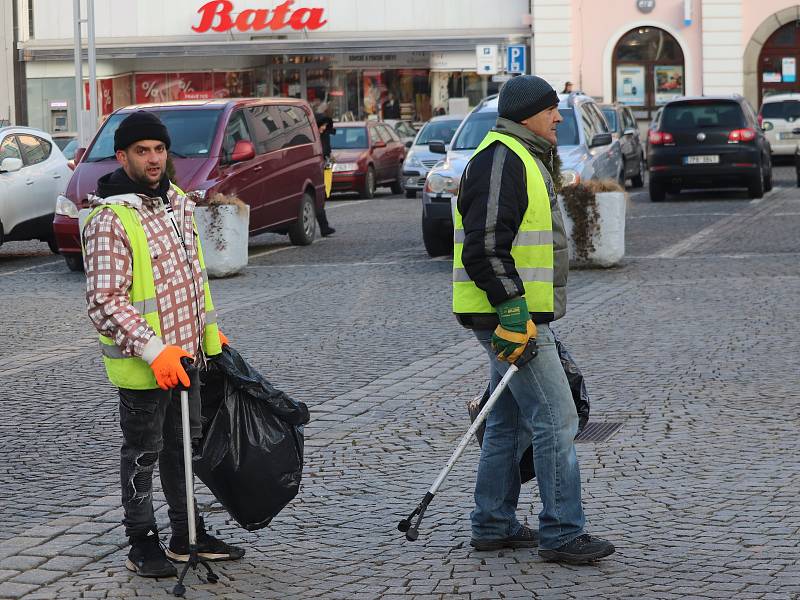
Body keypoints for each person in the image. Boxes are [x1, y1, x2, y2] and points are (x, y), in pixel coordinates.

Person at [453, 75, 615, 564]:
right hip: (509, 316)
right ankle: (563, 531)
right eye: (552, 110)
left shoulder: (516, 156)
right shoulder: (503, 159)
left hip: (510, 313)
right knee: (556, 419)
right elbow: (484, 245)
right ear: (527, 114)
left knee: (507, 421)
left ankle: (493, 523)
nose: (559, 117)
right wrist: (512, 308)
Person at [83, 111, 245, 579]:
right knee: (142, 454)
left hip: (187, 357)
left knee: (183, 450)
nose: (153, 159)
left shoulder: (176, 203)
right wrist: (156, 351)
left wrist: (209, 338)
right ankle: (141, 541)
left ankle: (186, 533)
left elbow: (195, 281)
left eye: (159, 150)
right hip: (144, 366)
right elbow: (105, 302)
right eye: (141, 151)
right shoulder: (110, 218)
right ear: (122, 156)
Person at [315, 113, 336, 237]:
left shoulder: (324, 136)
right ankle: (324, 227)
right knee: (319, 199)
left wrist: (331, 158)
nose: (323, 128)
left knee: (322, 197)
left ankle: (324, 227)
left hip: (325, 169)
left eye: (325, 126)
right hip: (316, 170)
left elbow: (327, 151)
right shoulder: (314, 136)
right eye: (322, 125)